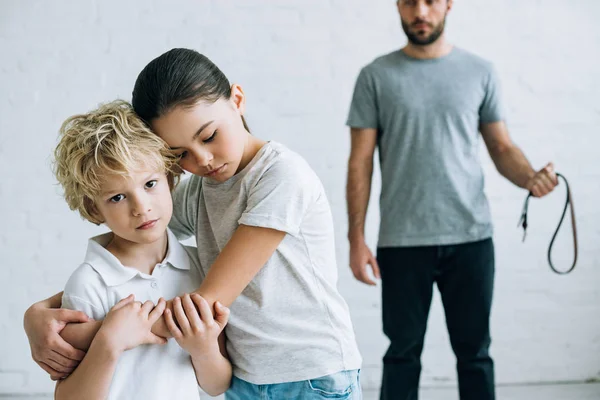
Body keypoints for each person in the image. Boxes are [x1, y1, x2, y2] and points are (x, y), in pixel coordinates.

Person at [24, 49, 363, 399]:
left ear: (237, 99)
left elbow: (204, 305)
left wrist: (85, 332)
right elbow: (137, 256)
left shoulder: (281, 177)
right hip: (244, 378)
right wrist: (39, 314)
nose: (202, 160)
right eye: (179, 154)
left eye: (209, 136)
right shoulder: (201, 190)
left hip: (311, 375)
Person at [345, 1, 558, 399]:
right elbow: (360, 162)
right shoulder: (375, 76)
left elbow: (501, 146)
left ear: (448, 5)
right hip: (402, 242)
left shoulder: (480, 71)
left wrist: (530, 179)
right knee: (402, 354)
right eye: (409, 2)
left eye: (430, 1)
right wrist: (356, 239)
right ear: (398, 6)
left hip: (471, 237)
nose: (420, 12)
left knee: (475, 353)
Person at [50, 100, 231, 399]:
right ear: (94, 209)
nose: (141, 207)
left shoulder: (200, 266)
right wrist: (109, 342)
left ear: (170, 179)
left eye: (149, 183)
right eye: (118, 197)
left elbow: (216, 385)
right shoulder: (89, 283)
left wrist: (204, 349)